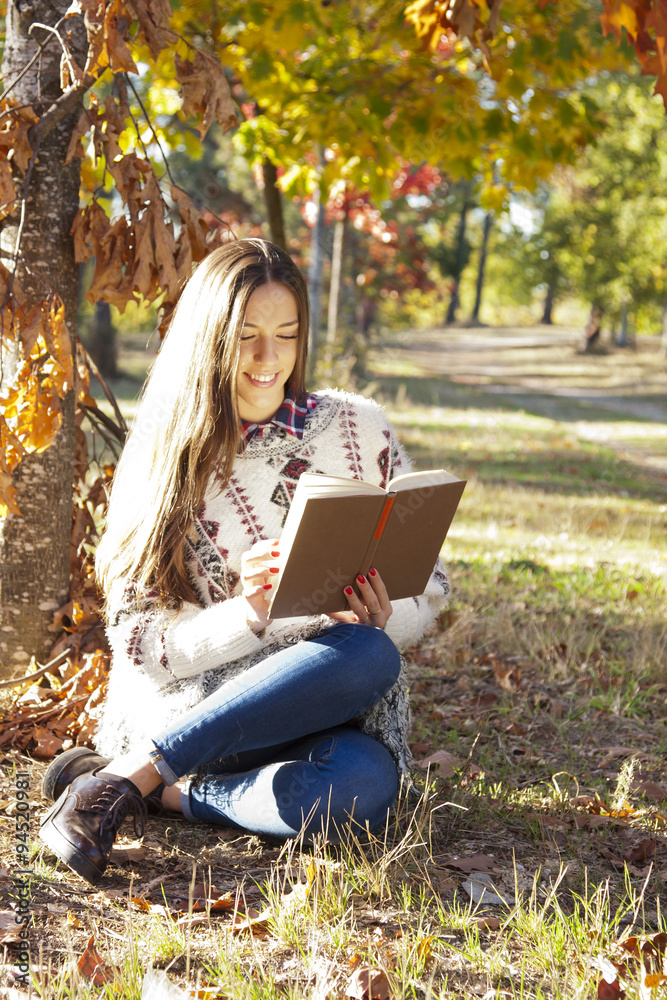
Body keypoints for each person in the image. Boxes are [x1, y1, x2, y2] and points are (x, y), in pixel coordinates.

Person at [39, 239, 450, 885]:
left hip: (331, 696)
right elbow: (141, 643)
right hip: (199, 707)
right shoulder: (161, 459)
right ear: (208, 340)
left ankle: (136, 786)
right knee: (366, 655)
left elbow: (430, 591)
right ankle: (142, 769)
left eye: (286, 335)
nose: (268, 359)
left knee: (363, 782)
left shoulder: (358, 427)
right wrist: (250, 612)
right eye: (246, 337)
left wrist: (383, 613)